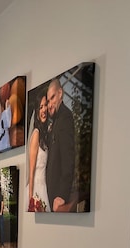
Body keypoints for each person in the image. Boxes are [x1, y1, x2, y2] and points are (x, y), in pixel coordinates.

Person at [46, 78, 75, 212]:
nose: (50, 104)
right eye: (48, 101)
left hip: (57, 197)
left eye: (52, 98)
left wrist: (62, 195)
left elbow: (68, 157)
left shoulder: (65, 117)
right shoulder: (56, 120)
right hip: (50, 193)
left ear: (60, 93)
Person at [27, 91, 50, 212]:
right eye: (41, 107)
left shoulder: (45, 136)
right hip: (36, 188)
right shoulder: (36, 134)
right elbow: (31, 172)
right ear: (37, 112)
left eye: (45, 105)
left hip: (44, 186)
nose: (44, 109)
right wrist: (31, 199)